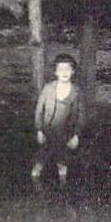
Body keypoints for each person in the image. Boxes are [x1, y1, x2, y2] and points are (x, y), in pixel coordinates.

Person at [32, 53, 87, 188]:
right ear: (56, 72)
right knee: (41, 160)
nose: (64, 72)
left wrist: (76, 135)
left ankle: (63, 186)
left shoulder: (76, 92)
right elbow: (39, 110)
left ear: (73, 71)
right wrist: (39, 130)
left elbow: (81, 116)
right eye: (61, 69)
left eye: (68, 69)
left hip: (65, 132)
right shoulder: (48, 88)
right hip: (48, 130)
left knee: (63, 161)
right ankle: (35, 185)